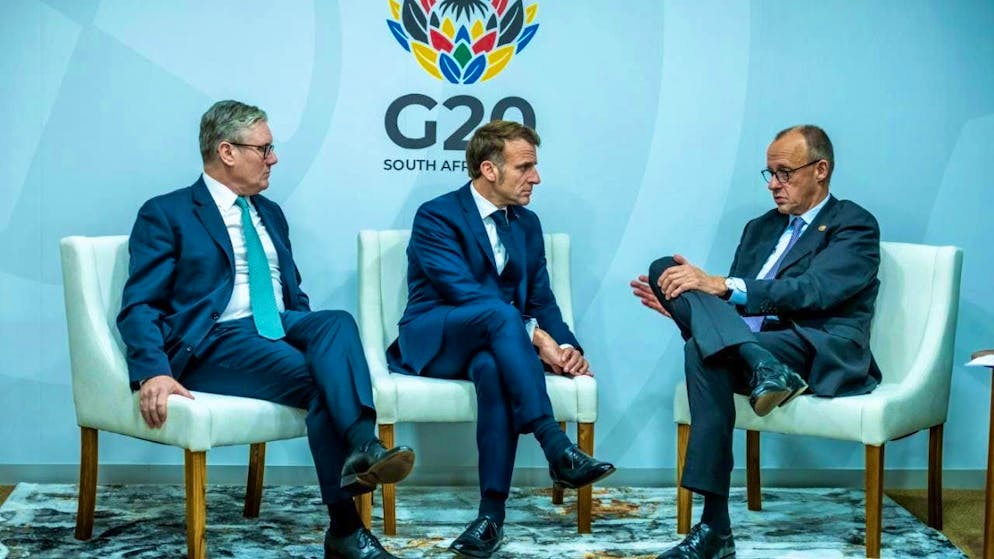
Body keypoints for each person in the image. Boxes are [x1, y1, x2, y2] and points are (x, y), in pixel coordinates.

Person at [117, 100, 414, 559]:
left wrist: (313, 339)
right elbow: (139, 304)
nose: (273, 158)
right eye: (265, 148)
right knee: (324, 387)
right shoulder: (167, 212)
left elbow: (291, 293)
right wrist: (152, 371)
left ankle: (362, 452)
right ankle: (346, 521)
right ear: (227, 151)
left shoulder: (269, 212)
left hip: (278, 327)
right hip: (214, 341)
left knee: (335, 322)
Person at [631, 125, 881, 559]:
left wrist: (717, 289)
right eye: (768, 174)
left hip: (812, 344)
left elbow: (813, 291)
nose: (773, 185)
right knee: (663, 271)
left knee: (701, 345)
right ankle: (759, 364)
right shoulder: (759, 228)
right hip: (755, 343)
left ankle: (714, 529)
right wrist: (685, 307)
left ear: (820, 170)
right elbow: (727, 311)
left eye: (784, 173)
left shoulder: (853, 224)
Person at [387, 120, 615, 558]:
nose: (536, 178)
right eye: (525, 167)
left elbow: (543, 299)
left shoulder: (527, 225)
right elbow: (464, 293)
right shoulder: (437, 215)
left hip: (497, 347)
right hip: (438, 336)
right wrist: (536, 338)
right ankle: (554, 444)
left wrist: (567, 347)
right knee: (497, 312)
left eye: (535, 166)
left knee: (493, 369)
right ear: (489, 170)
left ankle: (490, 517)